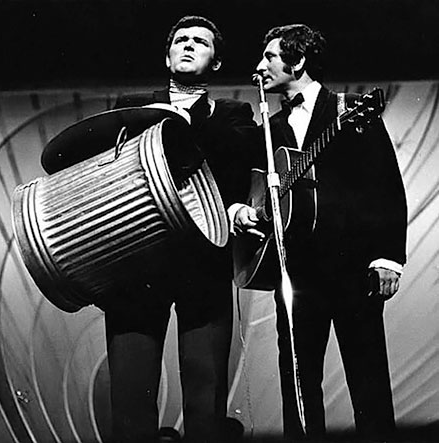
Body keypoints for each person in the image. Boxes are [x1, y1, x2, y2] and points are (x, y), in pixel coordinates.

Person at [233, 24, 408, 441]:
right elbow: (250, 188)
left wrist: (388, 257)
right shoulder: (269, 128)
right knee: (298, 382)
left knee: (368, 380)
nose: (260, 66)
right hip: (295, 274)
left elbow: (385, 183)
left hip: (353, 270)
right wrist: (242, 210)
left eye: (270, 57)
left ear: (298, 61)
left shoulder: (350, 109)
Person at [104, 16, 256, 443]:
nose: (188, 46)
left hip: (204, 267)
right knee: (130, 401)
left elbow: (237, 160)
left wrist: (183, 119)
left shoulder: (233, 114)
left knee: (207, 403)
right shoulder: (131, 106)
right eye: (181, 40)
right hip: (137, 267)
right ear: (167, 56)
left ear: (216, 63)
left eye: (200, 42)